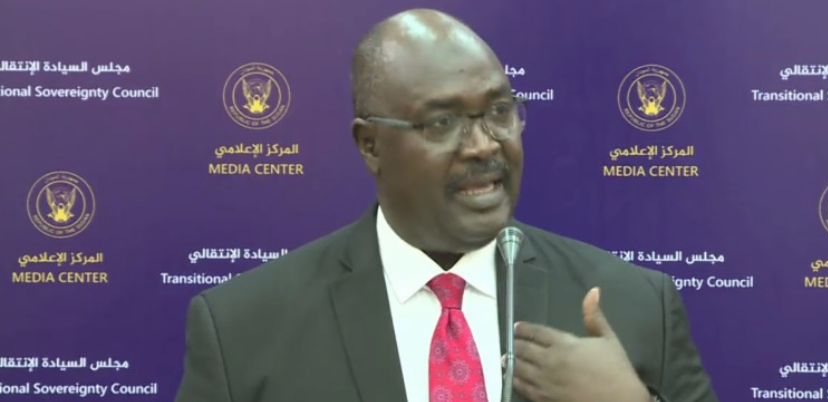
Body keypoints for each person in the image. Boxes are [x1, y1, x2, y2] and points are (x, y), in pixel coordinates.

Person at [173, 8, 718, 402]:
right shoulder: (243, 330)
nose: (483, 145)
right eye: (442, 122)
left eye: (499, 112)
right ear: (370, 145)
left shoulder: (635, 305)